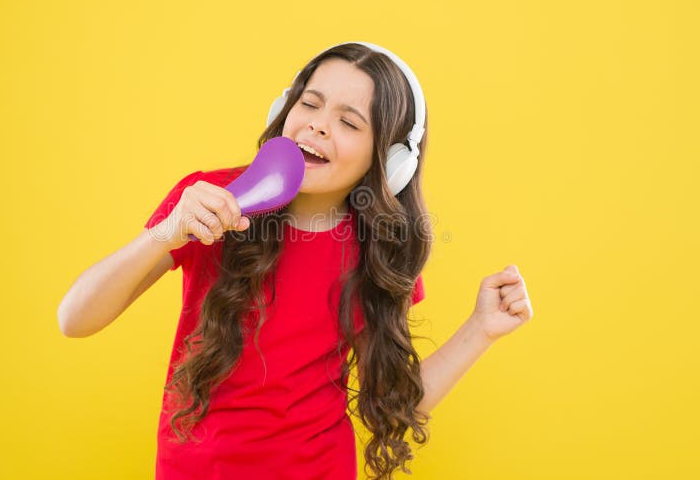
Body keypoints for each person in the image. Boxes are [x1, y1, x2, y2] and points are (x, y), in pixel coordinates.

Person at [58, 42, 534, 480]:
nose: (318, 124)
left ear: (387, 161)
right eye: (309, 103)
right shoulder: (211, 200)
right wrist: (167, 231)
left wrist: (481, 328)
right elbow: (74, 319)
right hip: (194, 468)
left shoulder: (380, 251)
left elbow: (393, 402)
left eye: (349, 123)